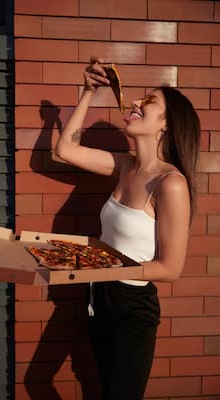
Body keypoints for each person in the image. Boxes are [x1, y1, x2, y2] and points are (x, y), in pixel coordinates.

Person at [54, 57, 201, 400]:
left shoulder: (170, 184)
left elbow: (171, 268)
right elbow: (64, 150)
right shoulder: (124, 165)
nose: (136, 102)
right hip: (99, 294)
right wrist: (89, 91)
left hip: (132, 307)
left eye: (150, 102)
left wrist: (105, 267)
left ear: (166, 124)